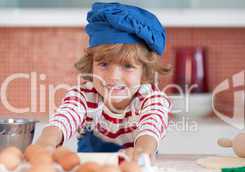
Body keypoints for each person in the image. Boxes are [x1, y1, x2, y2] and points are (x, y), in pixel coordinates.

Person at [36, 2, 173, 161]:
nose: (113, 77)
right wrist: (46, 142)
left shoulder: (151, 100)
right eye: (104, 64)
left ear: (144, 72)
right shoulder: (83, 97)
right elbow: (64, 118)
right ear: (91, 64)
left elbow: (151, 125)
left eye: (127, 66)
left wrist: (142, 150)